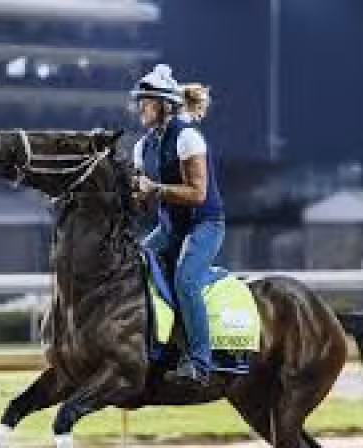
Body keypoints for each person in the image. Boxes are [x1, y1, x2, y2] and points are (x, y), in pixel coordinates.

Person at [130, 64, 225, 387]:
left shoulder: (187, 137)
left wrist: (154, 189)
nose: (141, 108)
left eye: (147, 102)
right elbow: (142, 200)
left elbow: (198, 194)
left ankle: (199, 362)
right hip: (170, 228)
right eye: (140, 102)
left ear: (165, 106)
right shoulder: (142, 146)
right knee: (131, 267)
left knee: (185, 280)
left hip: (204, 225)